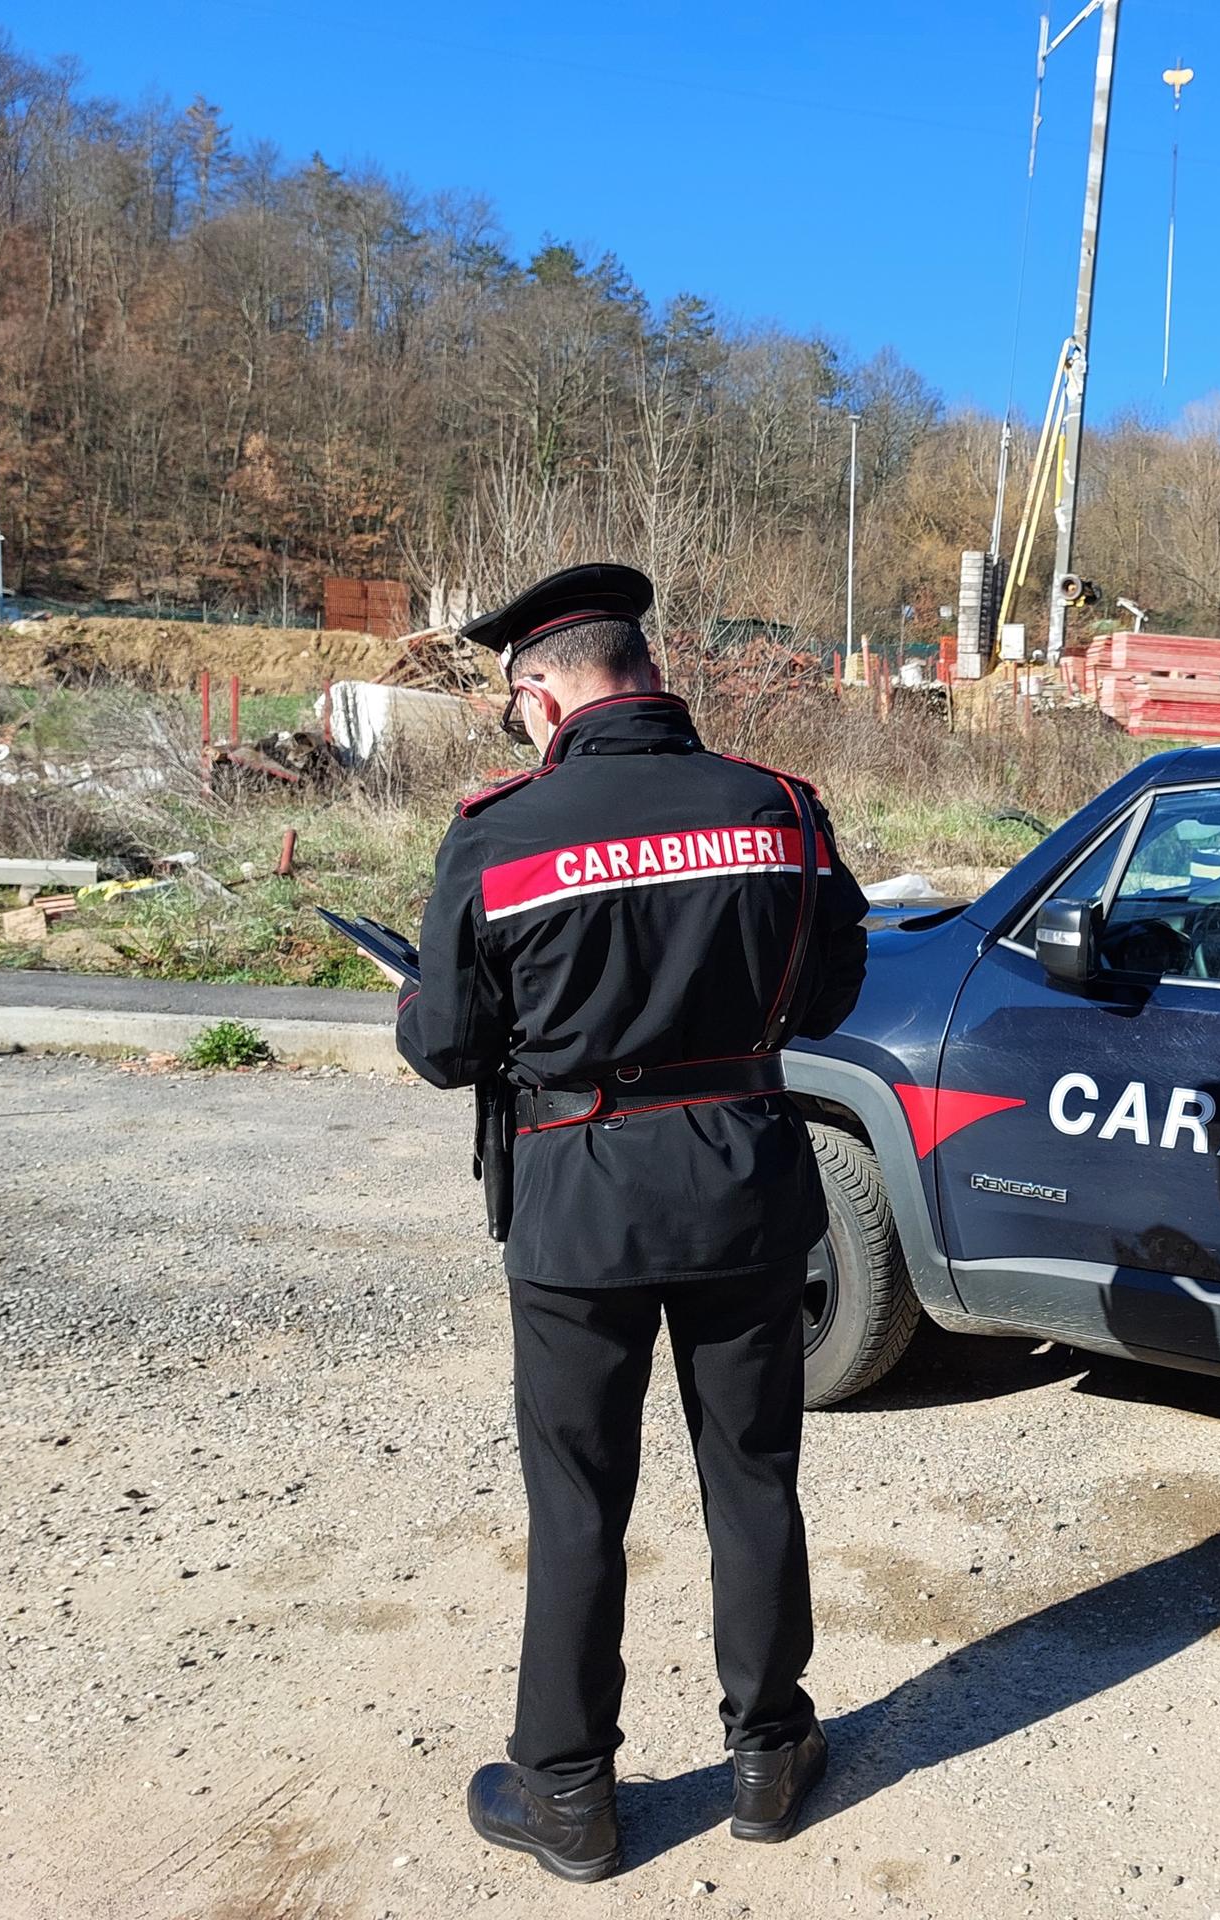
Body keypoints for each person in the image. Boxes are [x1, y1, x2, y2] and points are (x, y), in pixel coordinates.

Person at [386, 562, 869, 1882]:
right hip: (747, 1184)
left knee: (580, 1502)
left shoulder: (500, 832)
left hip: (578, 1197)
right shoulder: (781, 807)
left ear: (543, 699)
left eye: (514, 710)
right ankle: (771, 1759)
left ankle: (569, 1801)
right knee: (754, 1481)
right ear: (645, 675)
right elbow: (825, 999)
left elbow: (444, 1047)